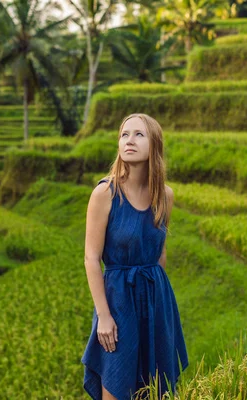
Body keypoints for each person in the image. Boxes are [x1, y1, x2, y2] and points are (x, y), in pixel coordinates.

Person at [81, 113, 189, 400]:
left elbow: (160, 253)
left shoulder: (165, 196)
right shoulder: (105, 193)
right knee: (116, 385)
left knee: (155, 390)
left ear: (154, 144)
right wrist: (104, 316)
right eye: (124, 134)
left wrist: (157, 304)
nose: (129, 140)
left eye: (139, 134)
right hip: (117, 301)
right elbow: (91, 258)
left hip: (156, 300)